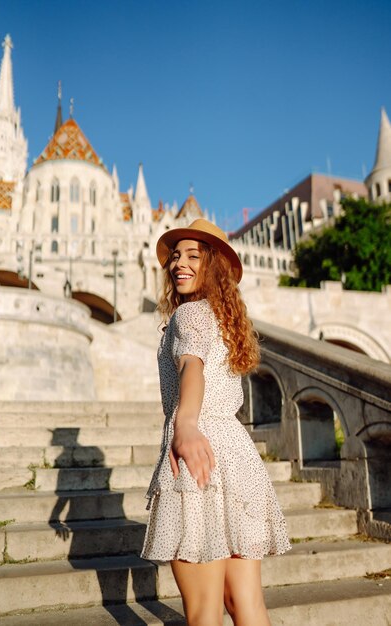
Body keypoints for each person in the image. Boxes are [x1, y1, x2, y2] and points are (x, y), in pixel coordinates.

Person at [141, 219, 291, 626]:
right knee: (246, 604)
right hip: (237, 457)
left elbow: (193, 367)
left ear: (215, 265)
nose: (178, 264)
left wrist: (185, 424)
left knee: (204, 612)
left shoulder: (189, 315)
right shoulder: (222, 320)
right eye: (175, 255)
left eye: (193, 255)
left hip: (201, 455)